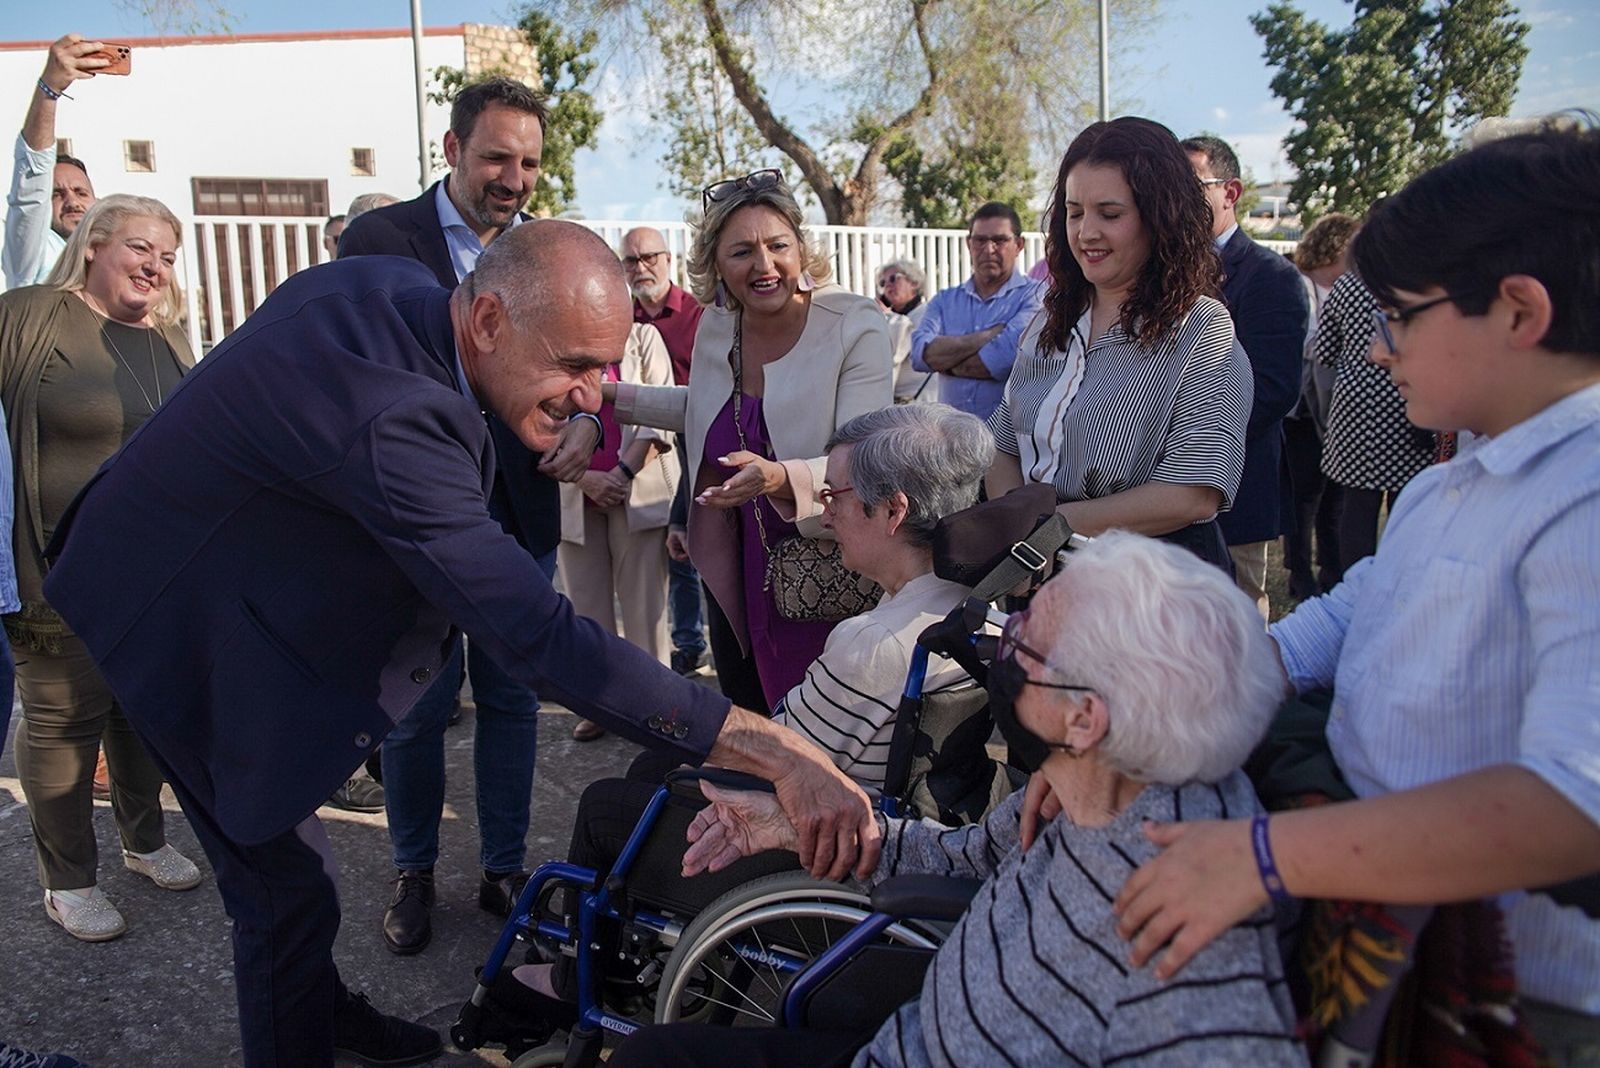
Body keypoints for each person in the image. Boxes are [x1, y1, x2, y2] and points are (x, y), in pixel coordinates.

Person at [40, 220, 883, 1068]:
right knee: (282, 897)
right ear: (486, 320)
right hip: (165, 621)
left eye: (605, 367)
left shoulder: (385, 288)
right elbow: (539, 637)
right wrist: (764, 743)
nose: (593, 397)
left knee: (302, 885)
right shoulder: (395, 416)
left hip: (205, 571)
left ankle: (324, 1012)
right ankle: (300, 1032)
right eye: (575, 365)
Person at [1109, 122, 1600, 1064]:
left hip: (1524, 1004)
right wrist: (1171, 698)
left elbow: (1572, 804)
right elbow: (1356, 605)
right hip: (1392, 933)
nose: (1377, 350)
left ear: (1519, 311)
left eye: (1401, 315)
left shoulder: (1581, 498)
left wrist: (1264, 860)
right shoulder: (1464, 470)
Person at [610, 531, 1303, 1068]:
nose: (1003, 642)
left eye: (1027, 643)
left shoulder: (1188, 904)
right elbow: (960, 857)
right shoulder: (1082, 786)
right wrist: (787, 822)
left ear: (1086, 718)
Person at [490, 403, 994, 1032]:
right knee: (654, 764)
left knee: (605, 806)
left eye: (835, 495)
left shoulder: (874, 644)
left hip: (812, 854)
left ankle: (580, 981)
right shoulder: (976, 609)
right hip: (891, 804)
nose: (825, 511)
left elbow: (780, 752)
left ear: (892, 511)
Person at [340, 77, 603, 952]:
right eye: (496, 156)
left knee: (514, 701)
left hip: (517, 520)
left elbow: (582, 368)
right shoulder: (381, 242)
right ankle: (413, 871)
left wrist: (591, 422)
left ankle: (502, 869)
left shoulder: (547, 252)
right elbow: (358, 376)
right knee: (414, 710)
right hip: (412, 524)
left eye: (528, 161)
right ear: (450, 150)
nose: (514, 177)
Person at [607, 169, 893, 711]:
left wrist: (781, 477)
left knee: (824, 734)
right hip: (734, 564)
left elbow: (864, 457)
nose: (764, 266)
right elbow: (707, 411)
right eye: (742, 252)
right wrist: (606, 397)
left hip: (826, 568)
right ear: (715, 263)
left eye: (778, 245)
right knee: (751, 728)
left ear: (800, 248)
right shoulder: (719, 326)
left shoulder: (854, 324)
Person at [0, 194, 201, 945]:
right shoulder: (32, 316)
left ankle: (144, 841)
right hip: (52, 568)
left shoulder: (171, 338)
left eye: (168, 257)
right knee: (62, 723)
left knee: (140, 715)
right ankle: (67, 882)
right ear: (92, 245)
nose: (155, 267)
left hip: (148, 573)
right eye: (141, 248)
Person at [987, 117, 1251, 572]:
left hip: (1150, 595)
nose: (1086, 232)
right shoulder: (1049, 323)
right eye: (1073, 212)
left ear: (1160, 217)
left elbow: (1194, 494)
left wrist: (1047, 528)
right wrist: (1018, 528)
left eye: (1110, 214)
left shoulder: (1201, 330)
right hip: (1039, 579)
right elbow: (1001, 443)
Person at [1185, 135, 1309, 616]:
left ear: (1229, 192)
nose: (1176, 199)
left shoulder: (1271, 276)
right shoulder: (1153, 273)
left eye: (1191, 186)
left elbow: (1273, 389)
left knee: (1235, 639)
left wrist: (1181, 442)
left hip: (1233, 494)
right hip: (1151, 501)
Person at [557, 321, 678, 743]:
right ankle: (602, 707)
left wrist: (622, 473)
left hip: (636, 491)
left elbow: (658, 415)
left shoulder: (644, 338)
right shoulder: (557, 336)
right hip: (572, 491)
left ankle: (659, 711)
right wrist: (586, 478)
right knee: (586, 612)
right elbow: (541, 417)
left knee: (646, 610)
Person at [619, 226, 708, 684]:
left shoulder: (697, 315)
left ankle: (691, 643)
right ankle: (681, 645)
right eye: (631, 261)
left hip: (694, 440)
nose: (641, 268)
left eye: (649, 257)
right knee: (668, 551)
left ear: (668, 259)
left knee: (691, 548)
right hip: (646, 448)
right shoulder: (621, 319)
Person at [1313, 266, 1434, 573]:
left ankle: (1352, 585)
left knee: (1357, 507)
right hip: (1407, 402)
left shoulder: (1347, 285)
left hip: (1356, 408)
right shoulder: (1412, 279)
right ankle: (1398, 583)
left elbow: (1324, 351)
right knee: (1406, 505)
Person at [1282, 212, 1360, 599]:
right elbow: (1311, 349)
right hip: (1304, 413)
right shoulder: (1300, 283)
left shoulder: (1340, 289)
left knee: (1334, 503)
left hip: (1330, 413)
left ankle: (1331, 572)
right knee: (1305, 502)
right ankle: (1300, 573)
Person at [909, 202, 1043, 420]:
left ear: (1019, 245)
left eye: (1000, 240)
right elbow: (920, 356)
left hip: (1008, 443)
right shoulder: (945, 300)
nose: (988, 249)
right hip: (949, 440)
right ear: (968, 244)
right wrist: (988, 336)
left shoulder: (1036, 297)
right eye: (980, 240)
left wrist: (945, 361)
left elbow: (1002, 362)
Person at [4, 34, 107, 290]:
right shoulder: (32, 255)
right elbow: (33, 175)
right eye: (56, 194)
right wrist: (48, 90)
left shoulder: (110, 258)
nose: (71, 202)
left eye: (81, 192)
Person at [875, 259, 936, 403]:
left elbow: (902, 346)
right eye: (883, 283)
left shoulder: (928, 314)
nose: (888, 285)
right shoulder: (893, 317)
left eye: (893, 278)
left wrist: (887, 316)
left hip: (922, 400)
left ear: (914, 283)